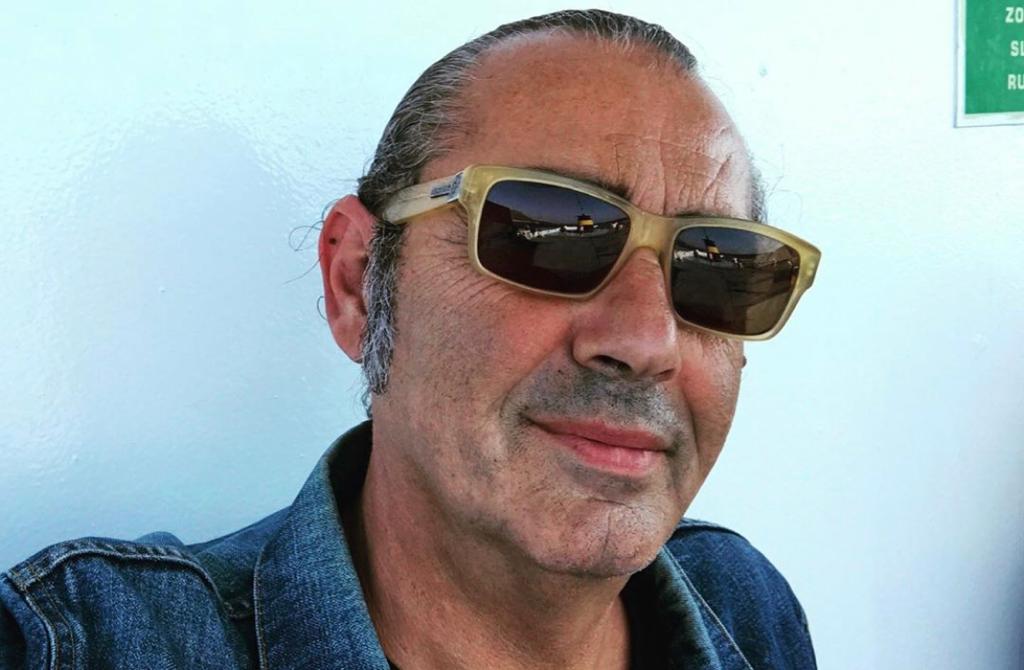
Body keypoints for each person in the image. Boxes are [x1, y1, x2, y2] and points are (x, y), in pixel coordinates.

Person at [0, 10, 820, 669]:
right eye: (547, 232)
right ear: (359, 283)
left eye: (718, 264)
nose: (646, 339)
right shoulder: (78, 642)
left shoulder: (743, 605)